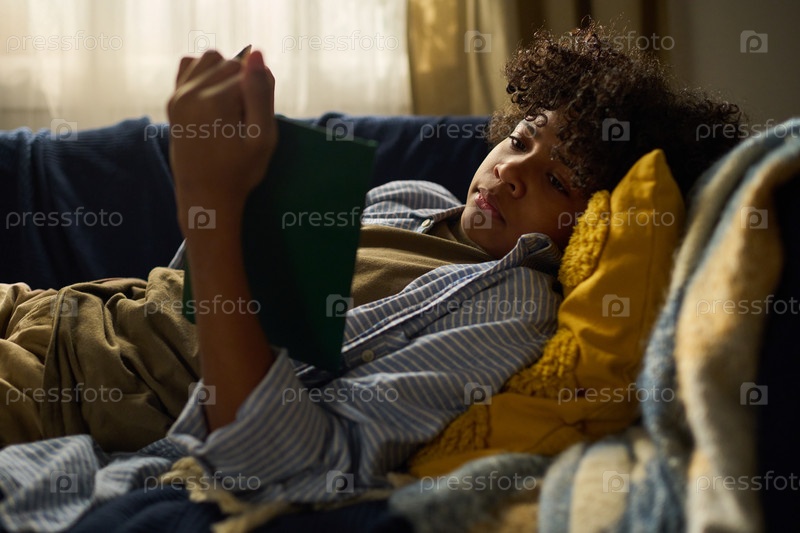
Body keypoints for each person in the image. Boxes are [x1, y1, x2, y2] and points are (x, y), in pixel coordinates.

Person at [0, 23, 742, 529]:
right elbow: (193, 294)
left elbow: (285, 460)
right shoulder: (412, 199)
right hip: (46, 309)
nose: (511, 172)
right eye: (520, 140)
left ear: (597, 222)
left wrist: (212, 207)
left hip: (58, 391)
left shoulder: (510, 310)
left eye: (559, 178)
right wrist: (253, 188)